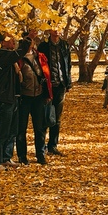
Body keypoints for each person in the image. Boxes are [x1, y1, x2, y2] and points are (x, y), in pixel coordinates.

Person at [38, 28, 72, 156]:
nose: (57, 31)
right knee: (45, 116)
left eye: (59, 28)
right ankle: (41, 147)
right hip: (48, 85)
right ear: (49, 31)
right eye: (54, 28)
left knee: (57, 118)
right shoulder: (44, 46)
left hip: (61, 84)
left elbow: (68, 64)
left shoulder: (64, 45)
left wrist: (68, 83)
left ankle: (52, 145)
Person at [15, 38, 49, 166]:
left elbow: (45, 74)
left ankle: (40, 154)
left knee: (39, 128)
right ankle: (22, 156)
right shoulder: (18, 58)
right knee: (21, 129)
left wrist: (46, 93)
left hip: (38, 97)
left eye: (31, 42)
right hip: (24, 98)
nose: (30, 44)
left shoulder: (39, 57)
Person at [0, 33, 21, 170]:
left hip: (12, 98)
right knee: (2, 131)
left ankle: (6, 157)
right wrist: (28, 40)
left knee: (12, 131)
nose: (13, 42)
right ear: (3, 42)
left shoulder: (10, 59)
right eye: (10, 40)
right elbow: (18, 54)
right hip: (3, 99)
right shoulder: (2, 55)